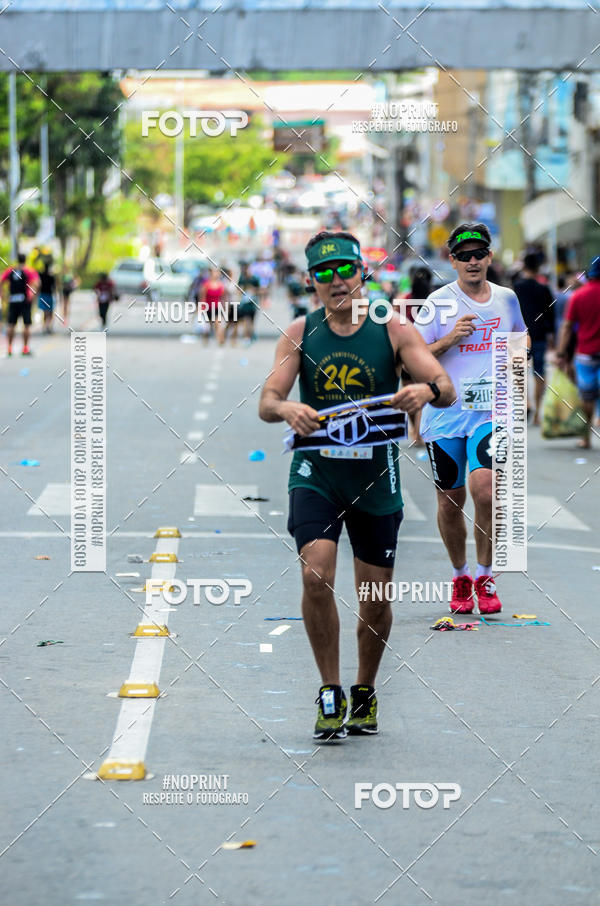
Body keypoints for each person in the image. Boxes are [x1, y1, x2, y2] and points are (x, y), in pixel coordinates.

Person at [259, 231, 454, 741]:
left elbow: (445, 388)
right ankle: (330, 690)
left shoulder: (393, 329)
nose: (336, 280)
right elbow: (267, 401)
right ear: (310, 282)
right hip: (316, 474)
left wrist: (421, 391)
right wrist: (287, 408)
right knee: (315, 576)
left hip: (375, 481)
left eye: (345, 269)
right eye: (324, 274)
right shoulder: (300, 333)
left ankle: (365, 689)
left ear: (362, 274)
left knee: (373, 597)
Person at [416, 223, 528, 616]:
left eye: (478, 254)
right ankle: (460, 575)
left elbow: (521, 337)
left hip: (490, 412)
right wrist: (450, 339)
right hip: (445, 415)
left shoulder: (506, 299)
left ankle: (485, 574)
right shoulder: (437, 303)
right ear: (453, 261)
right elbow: (413, 359)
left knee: (486, 492)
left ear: (489, 258)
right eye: (464, 256)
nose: (472, 261)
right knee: (450, 501)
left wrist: (520, 356)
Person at [556, 255, 600, 449]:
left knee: (587, 397)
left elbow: (567, 326)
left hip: (585, 355)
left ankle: (586, 438)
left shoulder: (578, 296)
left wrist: (560, 352)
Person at [513, 253, 555, 425]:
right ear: (538, 269)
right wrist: (551, 335)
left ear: (524, 267)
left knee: (519, 373)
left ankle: (524, 405)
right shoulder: (543, 289)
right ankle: (537, 413)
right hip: (539, 336)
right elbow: (550, 315)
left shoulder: (516, 288)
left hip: (519, 336)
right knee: (539, 373)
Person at [0, 253, 39, 356]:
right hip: (24, 300)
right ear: (25, 260)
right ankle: (25, 348)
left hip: (13, 299)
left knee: (11, 324)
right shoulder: (29, 271)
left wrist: (2, 294)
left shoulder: (10, 271)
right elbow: (36, 283)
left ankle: (9, 348)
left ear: (17, 260)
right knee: (26, 325)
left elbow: (1, 280)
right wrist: (32, 294)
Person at [237, 261, 260, 343]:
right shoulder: (241, 278)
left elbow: (259, 290)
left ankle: (251, 334)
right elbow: (238, 290)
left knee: (251, 320)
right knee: (246, 320)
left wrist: (253, 290)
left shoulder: (254, 278)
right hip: (244, 303)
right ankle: (247, 337)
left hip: (252, 302)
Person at [38, 262, 57, 334]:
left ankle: (45, 326)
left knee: (45, 312)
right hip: (49, 295)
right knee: (50, 311)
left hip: (43, 295)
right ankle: (48, 326)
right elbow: (54, 287)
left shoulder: (41, 275)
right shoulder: (51, 277)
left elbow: (38, 285)